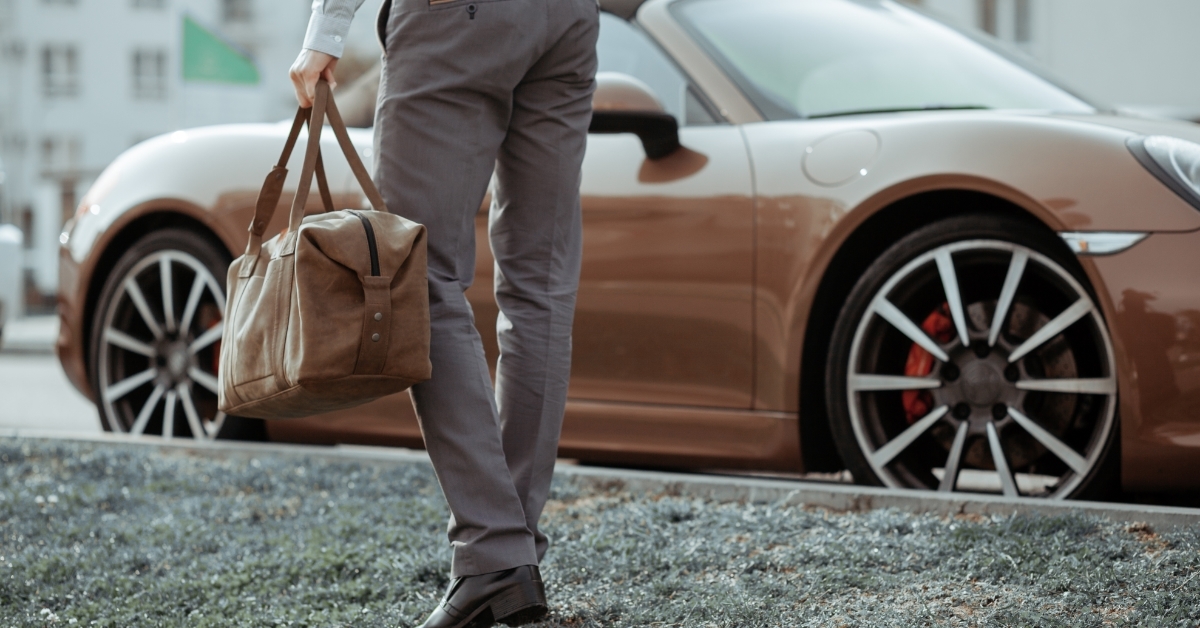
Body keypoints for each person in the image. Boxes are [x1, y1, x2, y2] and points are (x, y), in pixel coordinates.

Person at [290, 0, 598, 626]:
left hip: (456, 17)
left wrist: (325, 32)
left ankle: (495, 558)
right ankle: (510, 561)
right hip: (569, 19)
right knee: (540, 290)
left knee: (415, 273)